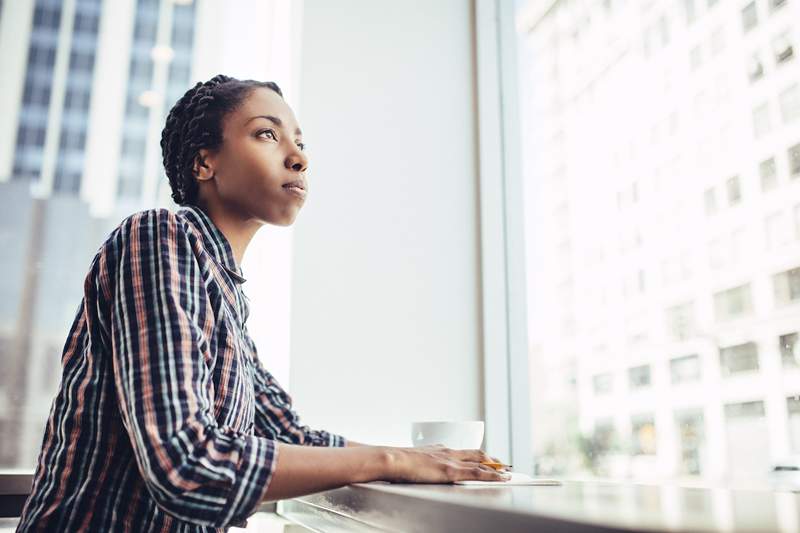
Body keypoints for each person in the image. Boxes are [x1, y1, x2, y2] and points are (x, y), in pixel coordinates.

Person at [15, 74, 510, 532]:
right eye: (267, 135)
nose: (299, 158)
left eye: (301, 142)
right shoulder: (158, 238)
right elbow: (189, 466)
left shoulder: (226, 301)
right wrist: (394, 461)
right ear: (204, 162)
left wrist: (425, 459)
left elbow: (292, 436)